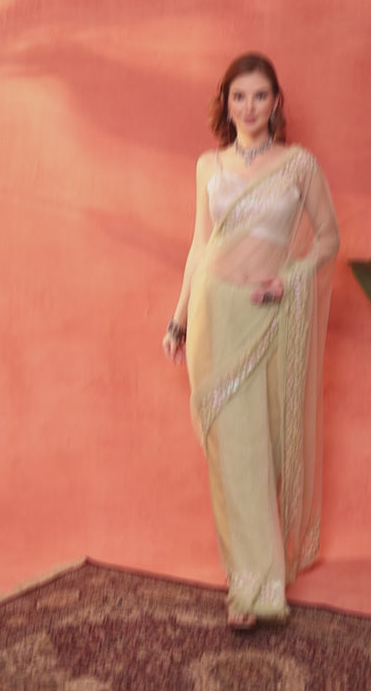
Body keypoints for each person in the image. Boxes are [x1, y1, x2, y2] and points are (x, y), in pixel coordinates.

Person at [162, 53, 340, 629]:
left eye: (260, 95)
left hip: (269, 315)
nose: (249, 106)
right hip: (214, 314)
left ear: (276, 102)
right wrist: (179, 320)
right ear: (226, 103)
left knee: (264, 451)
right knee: (232, 455)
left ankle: (265, 574)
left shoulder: (298, 165)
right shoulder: (208, 166)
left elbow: (328, 240)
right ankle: (248, 587)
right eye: (239, 96)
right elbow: (200, 245)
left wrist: (289, 280)